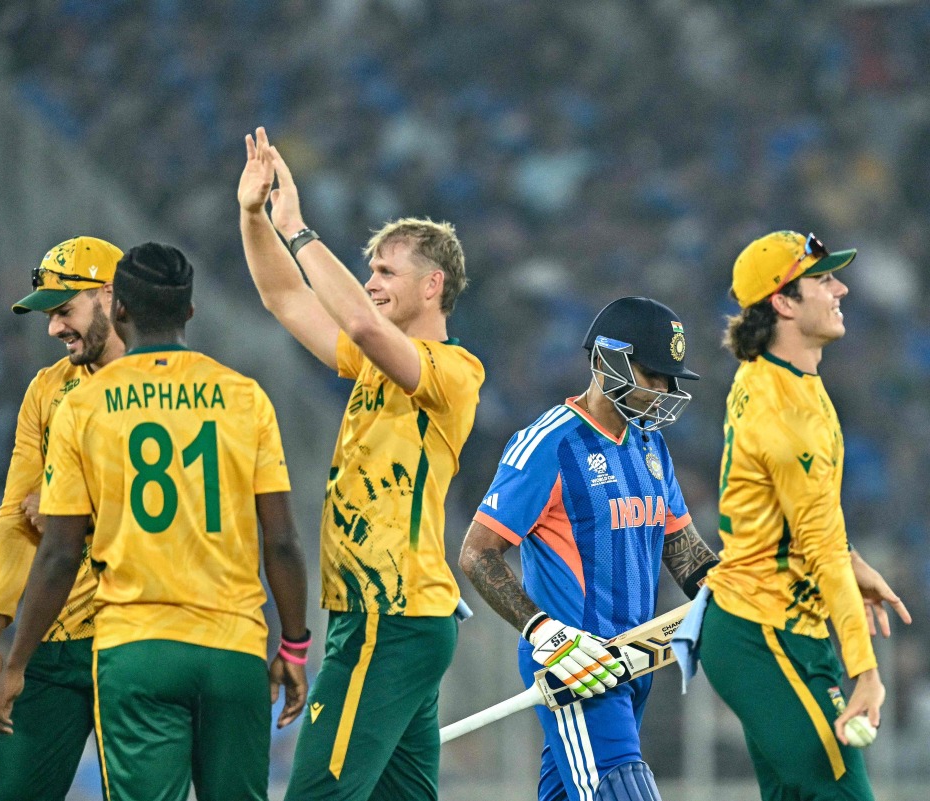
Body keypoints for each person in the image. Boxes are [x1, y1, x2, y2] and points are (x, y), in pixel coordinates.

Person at [0, 242, 310, 801]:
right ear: (189, 311)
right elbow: (280, 542)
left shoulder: (83, 405)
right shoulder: (244, 397)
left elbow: (59, 554)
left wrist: (15, 661)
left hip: (138, 648)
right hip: (233, 645)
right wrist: (296, 647)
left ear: (120, 310)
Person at [239, 127, 484, 800]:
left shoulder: (453, 371)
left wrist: (297, 226)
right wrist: (253, 215)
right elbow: (284, 299)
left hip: (390, 616)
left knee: (317, 793)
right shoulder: (374, 364)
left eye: (384, 272)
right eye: (368, 271)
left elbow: (363, 326)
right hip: (378, 616)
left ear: (432, 285)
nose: (370, 283)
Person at [459, 296, 719, 801]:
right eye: (654, 375)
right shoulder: (548, 445)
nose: (664, 390)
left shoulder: (650, 444)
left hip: (639, 660)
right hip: (576, 667)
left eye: (671, 379)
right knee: (623, 790)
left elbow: (683, 549)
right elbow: (477, 553)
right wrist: (544, 633)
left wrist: (737, 593)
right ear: (605, 361)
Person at [697, 231, 910, 801]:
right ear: (783, 303)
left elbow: (800, 519)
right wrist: (865, 672)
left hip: (774, 628)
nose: (840, 288)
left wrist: (851, 557)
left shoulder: (771, 376)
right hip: (764, 634)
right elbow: (816, 541)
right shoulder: (790, 413)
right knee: (843, 794)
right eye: (822, 280)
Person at [0, 235, 126, 801]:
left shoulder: (168, 387)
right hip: (49, 643)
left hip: (133, 639)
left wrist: (69, 513)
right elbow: (15, 516)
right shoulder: (47, 389)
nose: (53, 329)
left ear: (109, 295)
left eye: (63, 311)